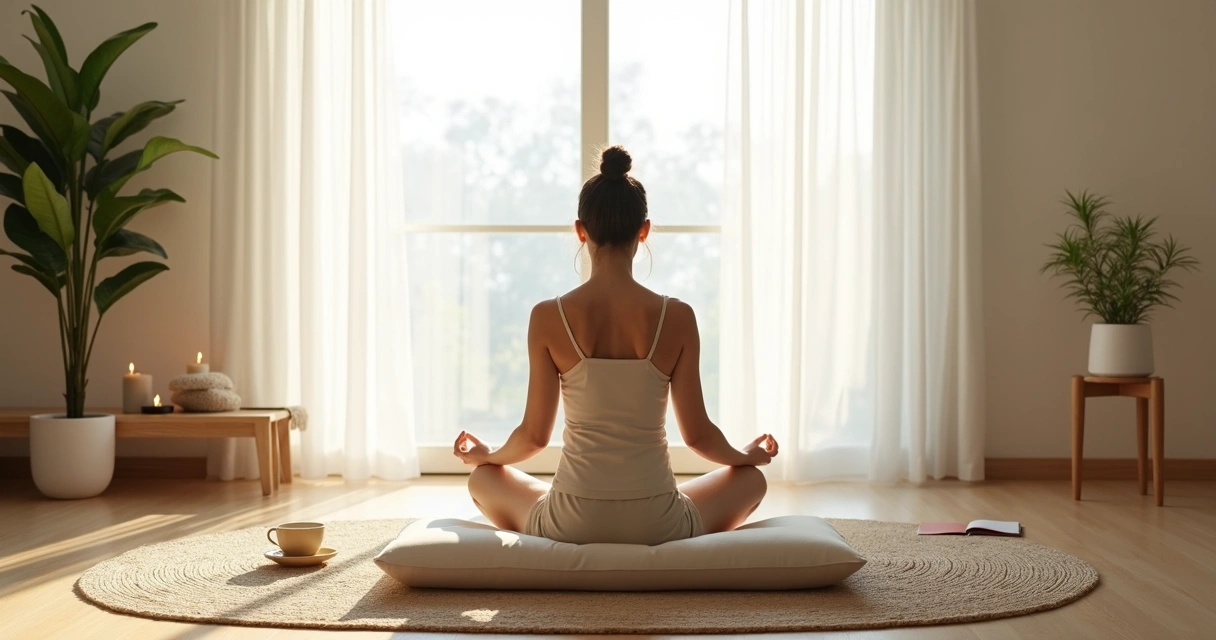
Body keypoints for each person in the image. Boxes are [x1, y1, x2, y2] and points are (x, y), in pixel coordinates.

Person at [452, 145, 779, 545]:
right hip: (659, 524)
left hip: (569, 523)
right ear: (643, 230)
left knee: (484, 477)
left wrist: (487, 454)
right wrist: (746, 457)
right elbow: (698, 436)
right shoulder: (676, 317)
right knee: (751, 481)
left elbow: (535, 438)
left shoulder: (547, 317)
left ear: (580, 229)